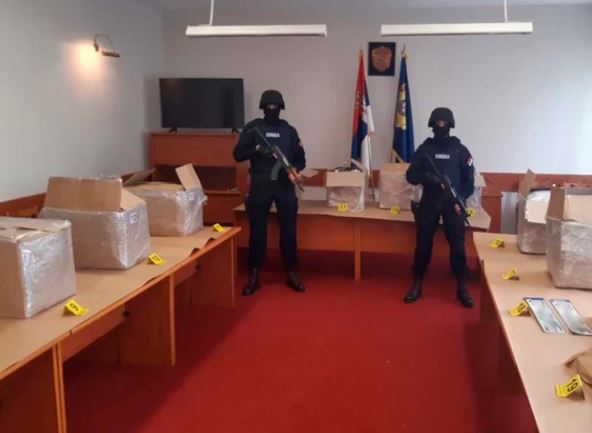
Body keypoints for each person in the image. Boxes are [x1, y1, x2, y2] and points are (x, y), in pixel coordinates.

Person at [233, 90, 306, 296]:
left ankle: (291, 272)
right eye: (268, 106)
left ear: (281, 108)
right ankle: (255, 273)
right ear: (263, 108)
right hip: (260, 184)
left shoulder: (289, 131)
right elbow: (238, 155)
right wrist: (257, 149)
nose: (272, 110)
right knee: (257, 232)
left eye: (275, 107)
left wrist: (294, 170)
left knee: (289, 232)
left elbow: (301, 158)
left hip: (284, 185)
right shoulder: (253, 128)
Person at [404, 107, 475, 308]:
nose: (440, 126)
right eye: (437, 123)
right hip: (430, 202)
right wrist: (429, 178)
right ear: (432, 125)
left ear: (450, 125)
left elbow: (469, 182)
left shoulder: (460, 150)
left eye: (443, 123)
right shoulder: (425, 149)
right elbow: (411, 176)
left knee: (458, 246)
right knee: (423, 245)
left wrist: (460, 200)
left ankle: (462, 286)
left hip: (453, 204)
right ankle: (417, 282)